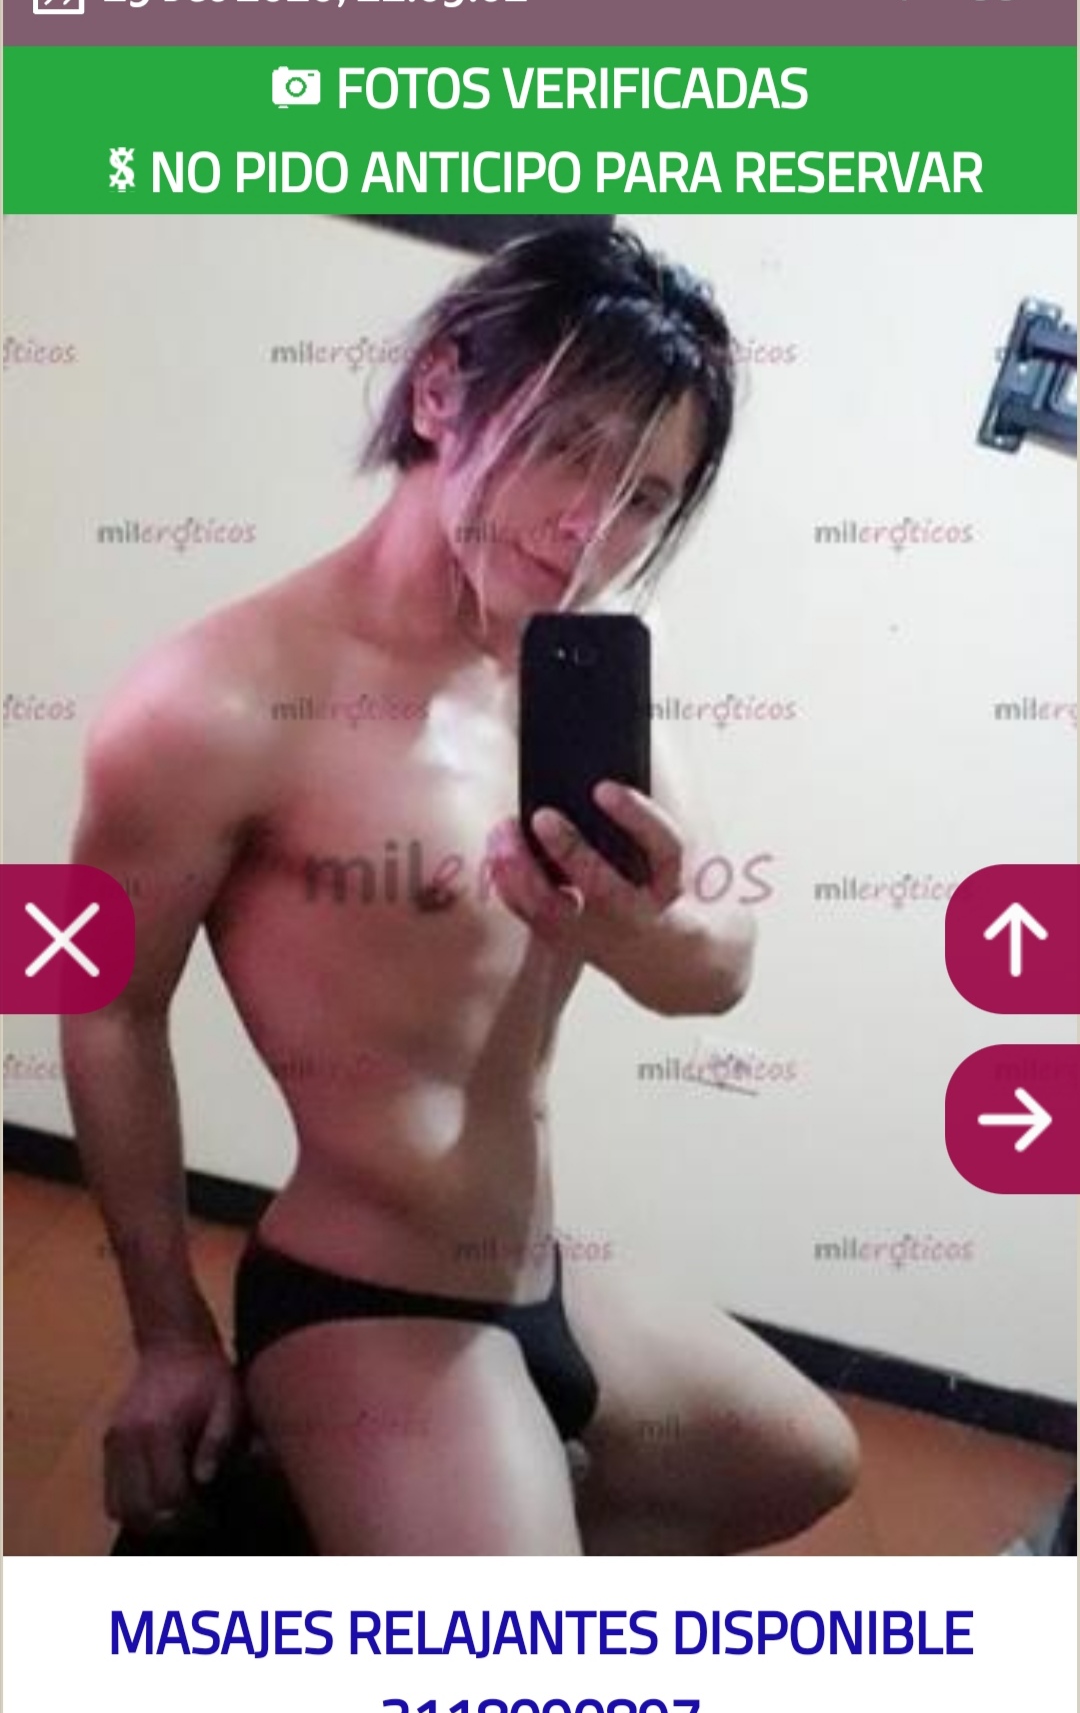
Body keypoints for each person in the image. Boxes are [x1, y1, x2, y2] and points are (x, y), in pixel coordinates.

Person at [62, 223, 858, 1557]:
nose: (592, 525)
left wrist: (637, 928)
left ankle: (323, 1536)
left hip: (538, 1266)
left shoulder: (585, 666)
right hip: (366, 1290)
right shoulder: (212, 700)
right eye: (570, 447)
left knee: (803, 1461)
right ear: (441, 390)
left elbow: (719, 964)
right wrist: (166, 1337)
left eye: (647, 495)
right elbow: (99, 1002)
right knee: (512, 1664)